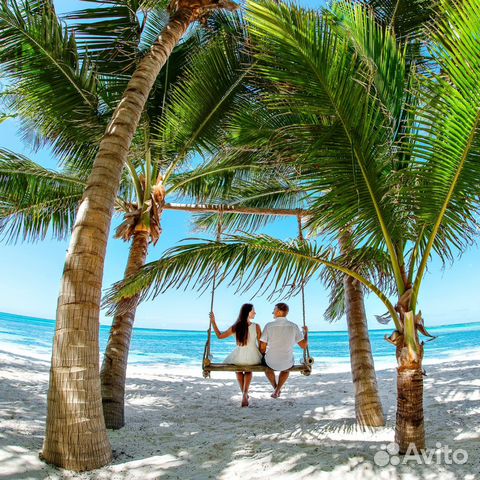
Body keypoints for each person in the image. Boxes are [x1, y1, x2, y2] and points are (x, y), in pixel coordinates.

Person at [209, 304, 263, 407]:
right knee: (249, 370)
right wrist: (263, 356)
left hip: (239, 357)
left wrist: (213, 322)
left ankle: (244, 394)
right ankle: (245, 393)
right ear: (248, 312)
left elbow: (219, 336)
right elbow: (261, 344)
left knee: (238, 370)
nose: (255, 313)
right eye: (253, 311)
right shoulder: (256, 326)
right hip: (253, 357)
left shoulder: (236, 327)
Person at [260, 302, 308, 399]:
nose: (272, 312)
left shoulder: (268, 326)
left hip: (270, 362)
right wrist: (306, 333)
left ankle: (275, 388)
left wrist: (263, 354)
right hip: (287, 362)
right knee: (286, 369)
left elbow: (262, 346)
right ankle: (277, 390)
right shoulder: (294, 326)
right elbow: (304, 346)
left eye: (274, 310)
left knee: (266, 368)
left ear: (279, 312)